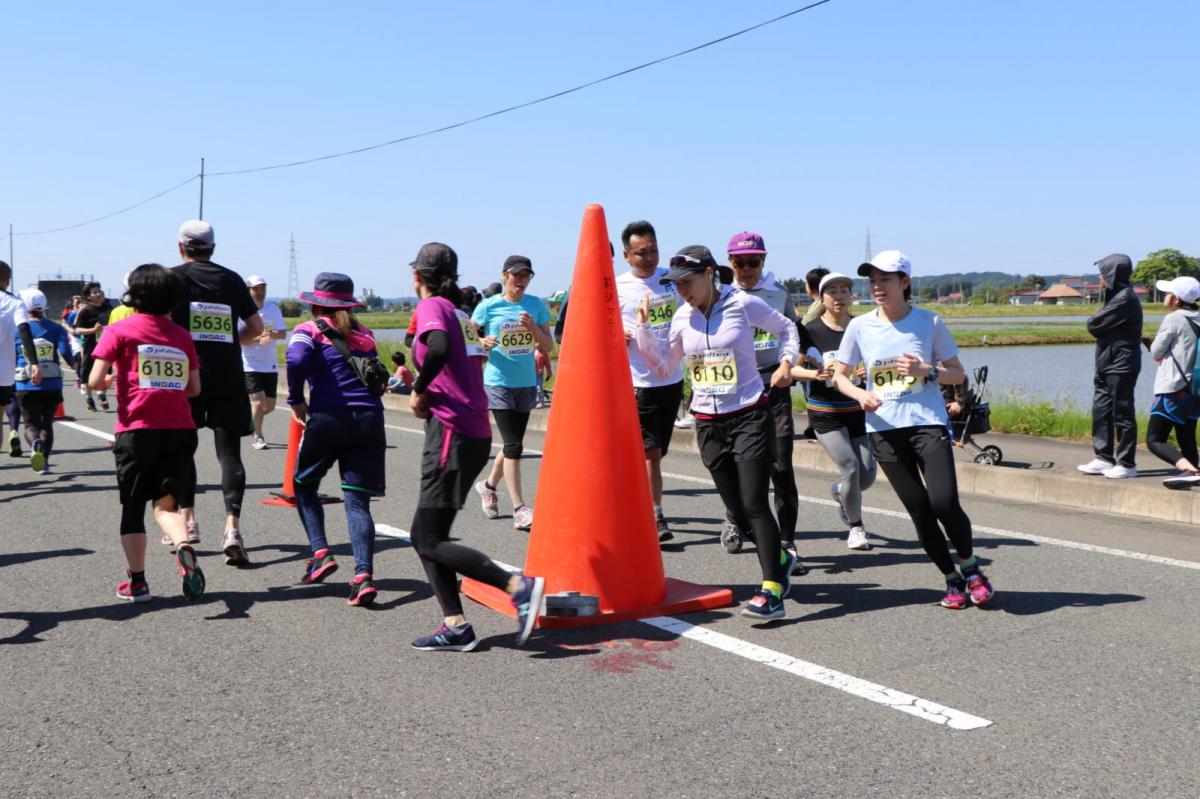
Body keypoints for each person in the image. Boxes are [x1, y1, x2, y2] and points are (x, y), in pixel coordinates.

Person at [636, 245, 800, 621]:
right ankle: (779, 558)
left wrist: (787, 362)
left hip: (748, 414)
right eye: (675, 285)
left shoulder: (743, 304)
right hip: (707, 422)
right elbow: (664, 367)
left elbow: (787, 327)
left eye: (687, 282)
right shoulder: (681, 318)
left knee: (756, 502)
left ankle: (771, 590)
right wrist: (643, 330)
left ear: (710, 273)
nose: (682, 291)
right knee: (738, 512)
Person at [833, 250, 994, 610]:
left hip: (926, 423)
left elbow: (958, 373)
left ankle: (971, 569)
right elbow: (839, 377)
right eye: (873, 280)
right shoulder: (860, 326)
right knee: (919, 510)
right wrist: (860, 395)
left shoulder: (929, 322)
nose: (877, 287)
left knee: (944, 502)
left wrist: (928, 371)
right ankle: (951, 580)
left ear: (904, 282)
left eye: (885, 280)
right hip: (883, 429)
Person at [407, 242, 546, 650]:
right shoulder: (460, 312)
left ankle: (518, 587)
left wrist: (418, 389)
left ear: (417, 276)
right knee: (429, 535)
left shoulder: (433, 307)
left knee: (427, 538)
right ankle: (456, 626)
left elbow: (436, 349)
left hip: (452, 432)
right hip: (471, 430)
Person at [88, 264, 204, 602]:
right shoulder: (182, 336)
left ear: (133, 296)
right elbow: (194, 388)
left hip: (137, 430)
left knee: (133, 508)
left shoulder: (119, 330)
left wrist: (112, 380)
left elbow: (94, 382)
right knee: (166, 506)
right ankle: (183, 545)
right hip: (181, 430)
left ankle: (138, 582)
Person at [286, 273, 385, 607]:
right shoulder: (366, 334)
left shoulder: (307, 330)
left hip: (330, 417)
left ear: (315, 303)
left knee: (304, 484)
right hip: (370, 419)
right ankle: (363, 576)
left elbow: (297, 359)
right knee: (357, 500)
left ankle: (320, 552)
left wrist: (296, 398)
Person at [169, 220, 263, 565]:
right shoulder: (231, 279)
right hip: (227, 375)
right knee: (229, 453)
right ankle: (232, 528)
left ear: (181, 247)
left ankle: (189, 522)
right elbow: (256, 328)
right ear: (213, 248)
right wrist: (227, 343)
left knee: (183, 450)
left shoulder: (172, 278)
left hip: (185, 376)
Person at [726, 231, 805, 566]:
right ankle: (734, 515)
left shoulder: (778, 294)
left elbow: (795, 332)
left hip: (772, 386)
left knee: (781, 465)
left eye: (754, 262)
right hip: (733, 390)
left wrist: (791, 363)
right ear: (730, 263)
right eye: (740, 262)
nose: (747, 269)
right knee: (735, 466)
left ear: (764, 261)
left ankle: (787, 543)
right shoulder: (719, 295)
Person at [791, 272, 877, 550]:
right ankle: (856, 527)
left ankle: (841, 493)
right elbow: (791, 368)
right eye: (833, 292)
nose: (839, 296)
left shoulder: (862, 326)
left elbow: (879, 362)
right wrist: (812, 375)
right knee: (850, 467)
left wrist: (869, 371)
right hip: (824, 410)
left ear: (851, 296)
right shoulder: (809, 330)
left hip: (857, 409)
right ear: (822, 297)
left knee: (867, 475)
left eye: (844, 291)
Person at [470, 255, 554, 531]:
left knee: (512, 443)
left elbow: (548, 346)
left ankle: (488, 485)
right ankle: (520, 508)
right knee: (515, 446)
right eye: (516, 275)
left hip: (526, 381)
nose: (521, 281)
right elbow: (470, 332)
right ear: (505, 276)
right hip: (498, 382)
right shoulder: (489, 306)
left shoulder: (536, 306)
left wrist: (532, 328)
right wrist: (483, 340)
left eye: (526, 276)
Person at [614, 221, 683, 541]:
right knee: (650, 453)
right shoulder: (616, 287)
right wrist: (622, 335)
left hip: (672, 377)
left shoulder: (671, 279)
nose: (650, 257)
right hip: (638, 379)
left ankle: (632, 499)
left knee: (658, 451)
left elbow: (690, 312)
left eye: (653, 250)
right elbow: (602, 329)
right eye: (641, 253)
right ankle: (655, 516)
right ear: (627, 256)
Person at [1078, 253, 1142, 479]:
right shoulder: (1114, 296)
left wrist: (1095, 321)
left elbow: (1093, 325)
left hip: (1121, 364)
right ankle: (1104, 458)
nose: (1101, 278)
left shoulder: (1124, 298)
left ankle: (1127, 463)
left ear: (1113, 274)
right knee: (1101, 409)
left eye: (1103, 274)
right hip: (1106, 361)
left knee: (1122, 412)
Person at [1144, 277, 1200, 489]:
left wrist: (1151, 347)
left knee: (1154, 439)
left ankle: (1190, 470)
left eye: (1168, 293)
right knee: (1186, 436)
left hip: (1174, 387)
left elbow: (1157, 352)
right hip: (1195, 388)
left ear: (1176, 299)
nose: (1165, 296)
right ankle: (1194, 471)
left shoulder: (1174, 319)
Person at [14, 289, 75, 474]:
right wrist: (74, 365)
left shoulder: (18, 329)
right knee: (47, 424)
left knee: (30, 424)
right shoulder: (56, 329)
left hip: (26, 381)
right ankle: (45, 464)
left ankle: (34, 443)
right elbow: (66, 353)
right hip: (52, 382)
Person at [0, 261, 43, 460]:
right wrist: (34, 362)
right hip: (3, 371)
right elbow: (24, 331)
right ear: (7, 280)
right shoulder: (14, 302)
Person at [240, 274, 287, 450]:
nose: (260, 292)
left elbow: (282, 334)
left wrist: (270, 334)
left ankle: (250, 420)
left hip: (270, 364)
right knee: (258, 402)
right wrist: (257, 335)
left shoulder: (273, 309)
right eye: (256, 289)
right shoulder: (241, 311)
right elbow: (238, 339)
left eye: (263, 288)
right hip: (250, 363)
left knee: (269, 406)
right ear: (248, 291)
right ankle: (258, 436)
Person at [73, 281, 111, 412]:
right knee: (87, 373)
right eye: (95, 292)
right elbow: (77, 330)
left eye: (100, 291)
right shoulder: (85, 310)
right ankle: (89, 398)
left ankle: (102, 395)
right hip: (91, 346)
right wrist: (93, 330)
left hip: (107, 346)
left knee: (106, 372)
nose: (99, 294)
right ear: (89, 296)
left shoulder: (109, 309)